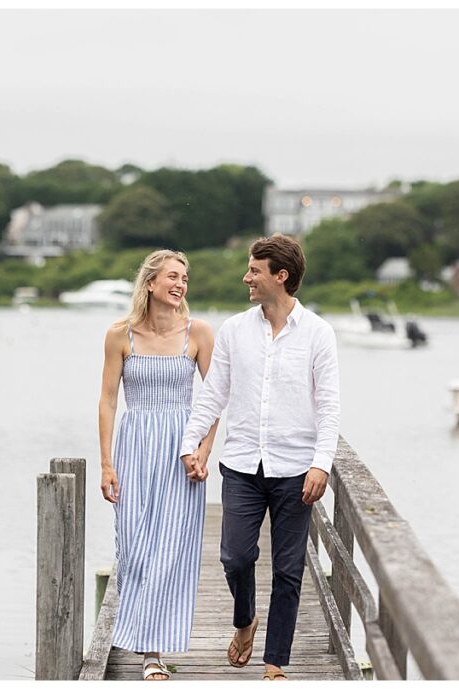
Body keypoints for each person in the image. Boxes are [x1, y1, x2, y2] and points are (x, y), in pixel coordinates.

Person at [179, 234, 340, 681]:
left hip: (295, 470)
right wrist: (189, 444)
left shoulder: (318, 334)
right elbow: (213, 396)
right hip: (243, 466)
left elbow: (328, 405)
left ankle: (275, 665)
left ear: (280, 276)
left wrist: (321, 462)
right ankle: (245, 619)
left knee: (288, 570)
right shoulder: (234, 330)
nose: (246, 277)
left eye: (254, 270)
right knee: (234, 556)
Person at [98, 249, 219, 681]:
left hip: (181, 449)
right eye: (172, 276)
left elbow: (215, 396)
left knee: (169, 552)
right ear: (149, 283)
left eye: (184, 278)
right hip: (134, 447)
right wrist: (106, 464)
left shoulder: (199, 333)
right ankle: (137, 635)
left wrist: (203, 450)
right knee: (134, 549)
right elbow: (109, 400)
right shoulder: (120, 335)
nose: (180, 284)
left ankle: (153, 653)